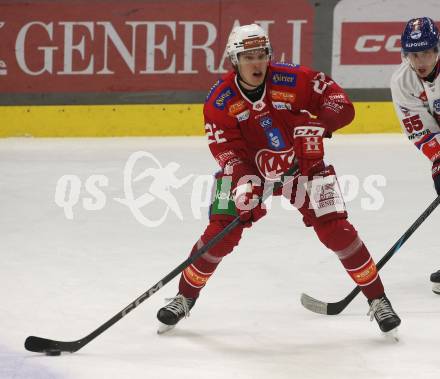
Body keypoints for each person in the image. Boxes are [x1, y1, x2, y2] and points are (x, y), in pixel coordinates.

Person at [157, 24, 401, 334]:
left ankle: (378, 300)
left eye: (261, 55)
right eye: (248, 57)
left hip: (304, 168)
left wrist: (320, 124)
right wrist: (243, 179)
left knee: (338, 231)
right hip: (248, 172)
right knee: (220, 232)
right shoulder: (219, 100)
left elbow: (341, 103)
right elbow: (224, 147)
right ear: (234, 60)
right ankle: (184, 297)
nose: (256, 63)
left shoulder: (292, 79)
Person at [390, 17, 440, 295]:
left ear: (437, 50)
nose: (420, 60)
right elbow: (420, 131)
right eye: (413, 54)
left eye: (426, 52)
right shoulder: (402, 81)